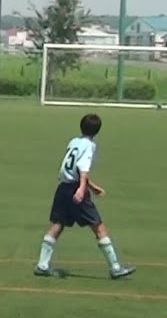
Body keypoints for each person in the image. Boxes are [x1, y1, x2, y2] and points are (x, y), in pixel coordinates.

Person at [34, 113, 135, 280]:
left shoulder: (74, 142)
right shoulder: (90, 145)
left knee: (58, 224)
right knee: (98, 226)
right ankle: (116, 268)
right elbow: (82, 167)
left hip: (63, 188)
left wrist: (92, 186)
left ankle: (42, 265)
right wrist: (82, 189)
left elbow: (72, 167)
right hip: (75, 188)